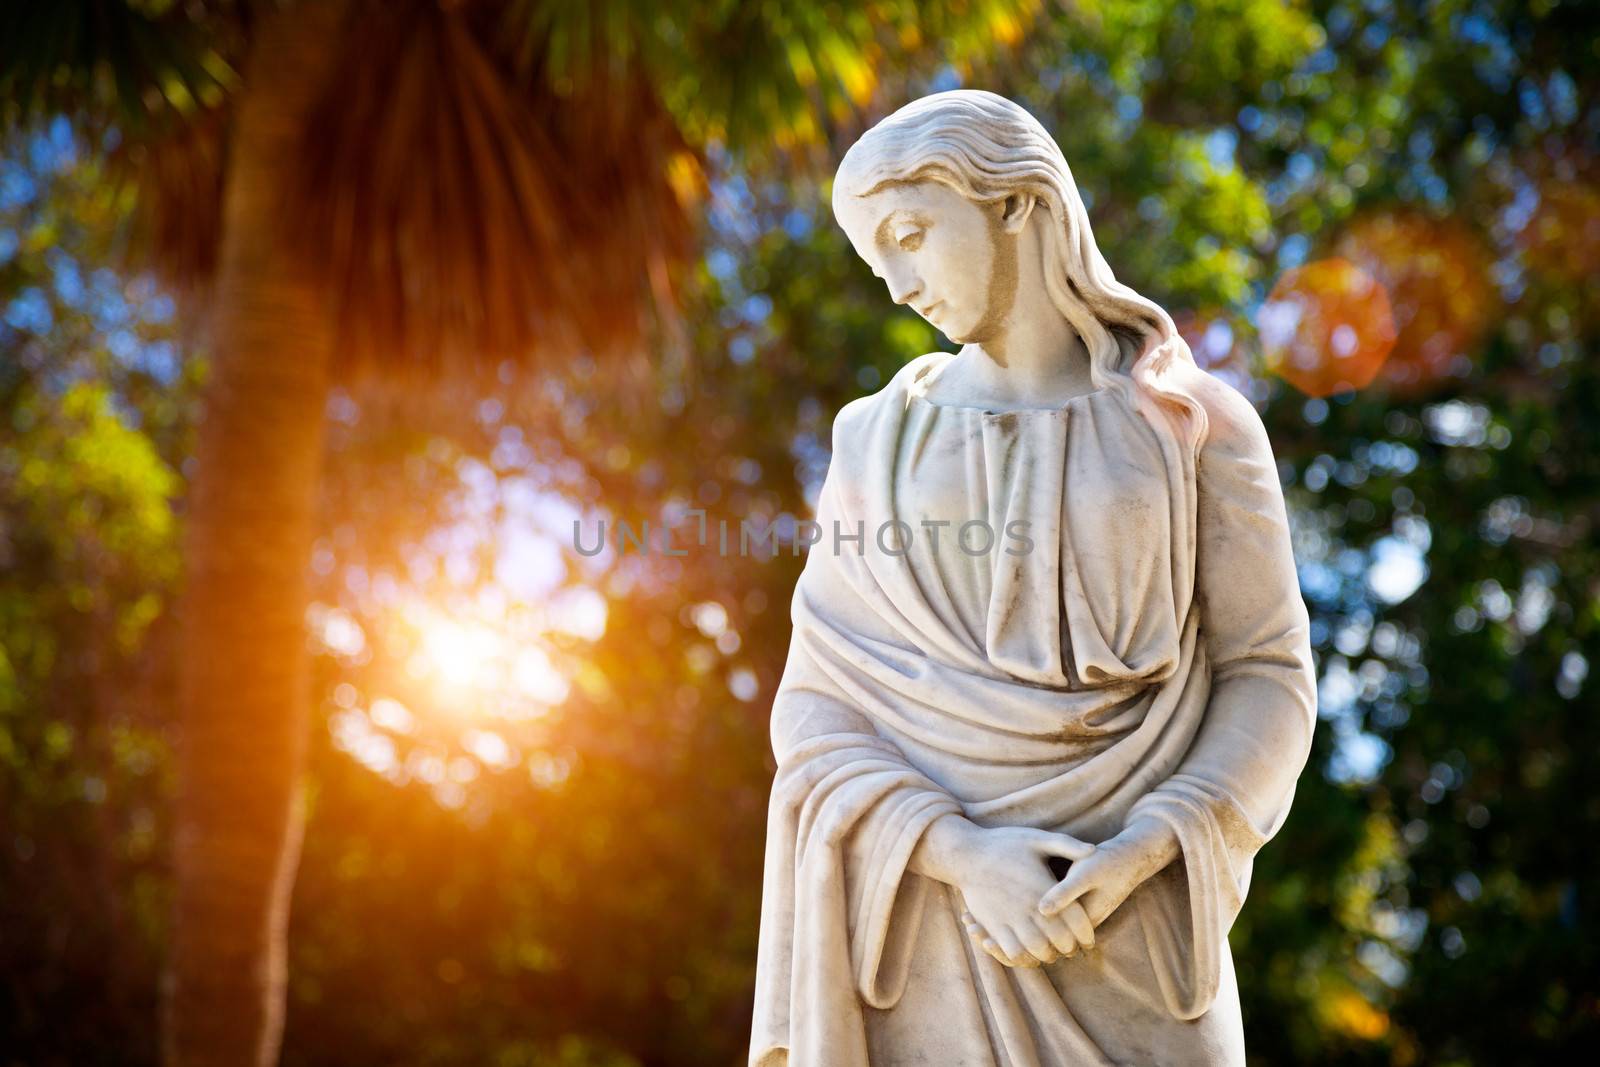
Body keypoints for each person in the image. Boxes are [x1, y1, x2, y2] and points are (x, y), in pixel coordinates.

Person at [750, 90, 1317, 1066]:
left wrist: (1151, 841)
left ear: (1015, 199)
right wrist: (960, 853)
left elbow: (1267, 672)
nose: (895, 283)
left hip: (1138, 930)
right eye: (875, 256)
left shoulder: (1194, 426)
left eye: (909, 234)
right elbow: (816, 711)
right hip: (928, 926)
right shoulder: (874, 442)